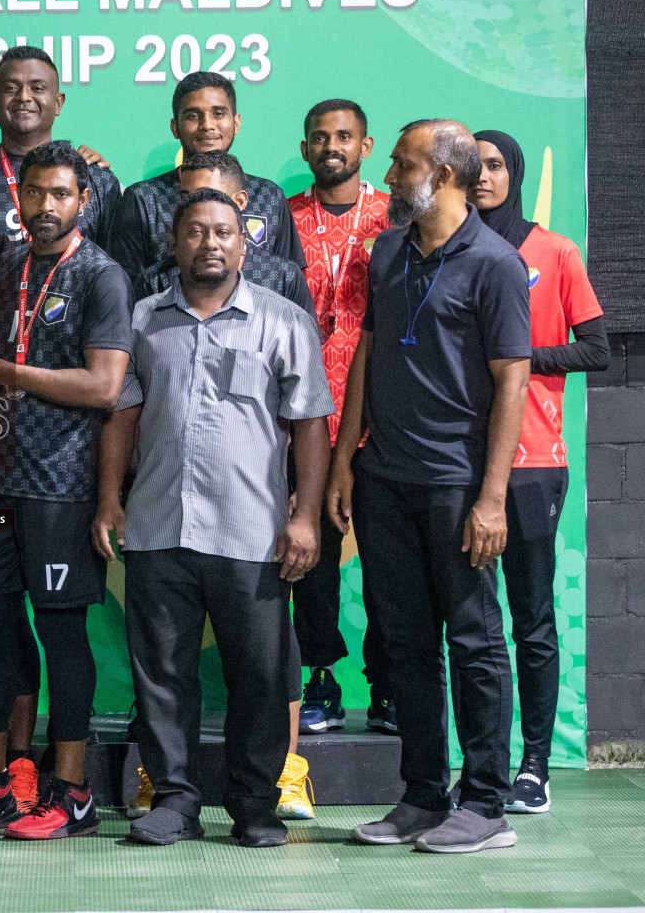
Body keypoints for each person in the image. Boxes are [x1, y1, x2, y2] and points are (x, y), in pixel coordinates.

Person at [94, 187, 334, 849]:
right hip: (157, 525)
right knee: (162, 676)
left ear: (243, 242)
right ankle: (174, 799)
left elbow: (311, 425)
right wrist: (111, 498)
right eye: (195, 232)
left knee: (259, 676)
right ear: (173, 245)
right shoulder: (142, 320)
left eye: (224, 232)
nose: (210, 243)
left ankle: (254, 804)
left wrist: (306, 515)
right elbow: (123, 415)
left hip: (252, 533)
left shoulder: (283, 321)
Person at [327, 119, 531, 854]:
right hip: (385, 480)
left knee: (475, 642)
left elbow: (513, 383)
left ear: (442, 175)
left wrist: (491, 496)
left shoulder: (497, 264)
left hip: (457, 486)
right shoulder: (390, 250)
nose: (387, 173)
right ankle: (421, 795)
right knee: (407, 646)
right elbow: (366, 354)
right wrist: (347, 457)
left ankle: (484, 803)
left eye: (401, 162)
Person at [0, 142, 132, 841]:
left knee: (62, 635)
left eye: (60, 195)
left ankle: (72, 793)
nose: (44, 207)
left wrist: (9, 375)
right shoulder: (4, 267)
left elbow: (104, 386)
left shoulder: (102, 277)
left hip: (61, 487)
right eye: (34, 194)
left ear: (83, 201)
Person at [469, 129, 608, 814]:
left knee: (531, 619)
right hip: (459, 463)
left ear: (514, 172)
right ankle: (479, 762)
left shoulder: (553, 250)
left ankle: (534, 766)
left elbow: (598, 349)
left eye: (495, 166)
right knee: (470, 623)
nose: (483, 177)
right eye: (473, 167)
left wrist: (520, 358)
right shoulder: (450, 254)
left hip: (531, 464)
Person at [287, 100, 396, 739]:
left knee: (389, 559)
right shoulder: (284, 216)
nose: (332, 146)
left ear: (366, 145)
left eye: (345, 136)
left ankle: (387, 683)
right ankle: (321, 676)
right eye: (320, 137)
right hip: (304, 408)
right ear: (305, 149)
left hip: (380, 410)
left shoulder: (393, 217)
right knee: (313, 557)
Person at [106, 70, 305, 287]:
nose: (207, 125)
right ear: (175, 127)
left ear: (236, 122)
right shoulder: (143, 199)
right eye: (193, 115)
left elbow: (288, 282)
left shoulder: (269, 196)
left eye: (218, 113)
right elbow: (126, 290)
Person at [0, 46, 121, 266]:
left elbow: (116, 269)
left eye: (37, 88)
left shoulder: (97, 180)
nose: (24, 97)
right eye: (11, 88)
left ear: (58, 103)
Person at [138, 151, 312, 310]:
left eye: (209, 195)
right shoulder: (156, 280)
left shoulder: (283, 277)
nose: (194, 207)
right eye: (186, 198)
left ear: (240, 200)